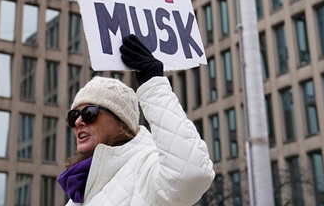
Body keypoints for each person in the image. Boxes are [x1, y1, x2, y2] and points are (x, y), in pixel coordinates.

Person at [58, 34, 215, 205]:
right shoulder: (77, 196)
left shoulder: (146, 168)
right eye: (74, 116)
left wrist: (154, 85)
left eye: (89, 113)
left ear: (121, 122)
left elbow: (191, 174)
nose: (78, 122)